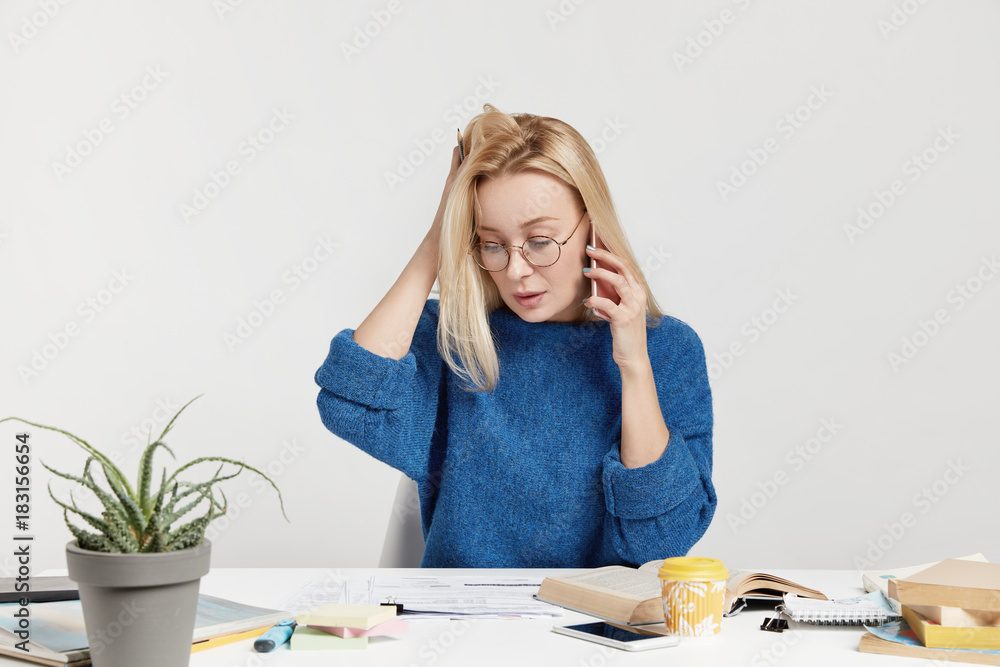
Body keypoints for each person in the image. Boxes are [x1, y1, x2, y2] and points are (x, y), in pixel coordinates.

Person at [315, 104, 716, 568]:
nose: (516, 270)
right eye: (492, 244)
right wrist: (440, 236)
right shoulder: (456, 338)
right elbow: (348, 403)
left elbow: (662, 539)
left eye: (540, 241)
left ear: (594, 227)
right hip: (460, 611)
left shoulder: (669, 350)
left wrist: (633, 365)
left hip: (592, 614)